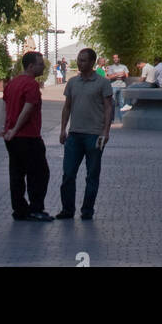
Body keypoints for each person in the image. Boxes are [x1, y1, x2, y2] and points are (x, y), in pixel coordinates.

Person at [56, 48, 113, 221]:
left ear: (92, 62)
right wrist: (63, 129)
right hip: (74, 135)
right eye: (79, 60)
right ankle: (67, 209)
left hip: (94, 136)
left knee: (92, 175)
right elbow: (67, 107)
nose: (80, 63)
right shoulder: (72, 82)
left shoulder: (103, 83)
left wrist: (105, 132)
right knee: (68, 174)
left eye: (83, 60)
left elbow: (108, 107)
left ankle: (87, 210)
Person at [0, 50, 53, 221]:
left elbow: (4, 107)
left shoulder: (12, 83)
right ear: (30, 66)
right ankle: (36, 209)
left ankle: (20, 210)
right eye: (40, 64)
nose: (43, 66)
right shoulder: (31, 85)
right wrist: (15, 129)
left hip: (12, 138)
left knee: (17, 174)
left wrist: (5, 128)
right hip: (28, 136)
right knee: (39, 173)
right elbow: (28, 109)